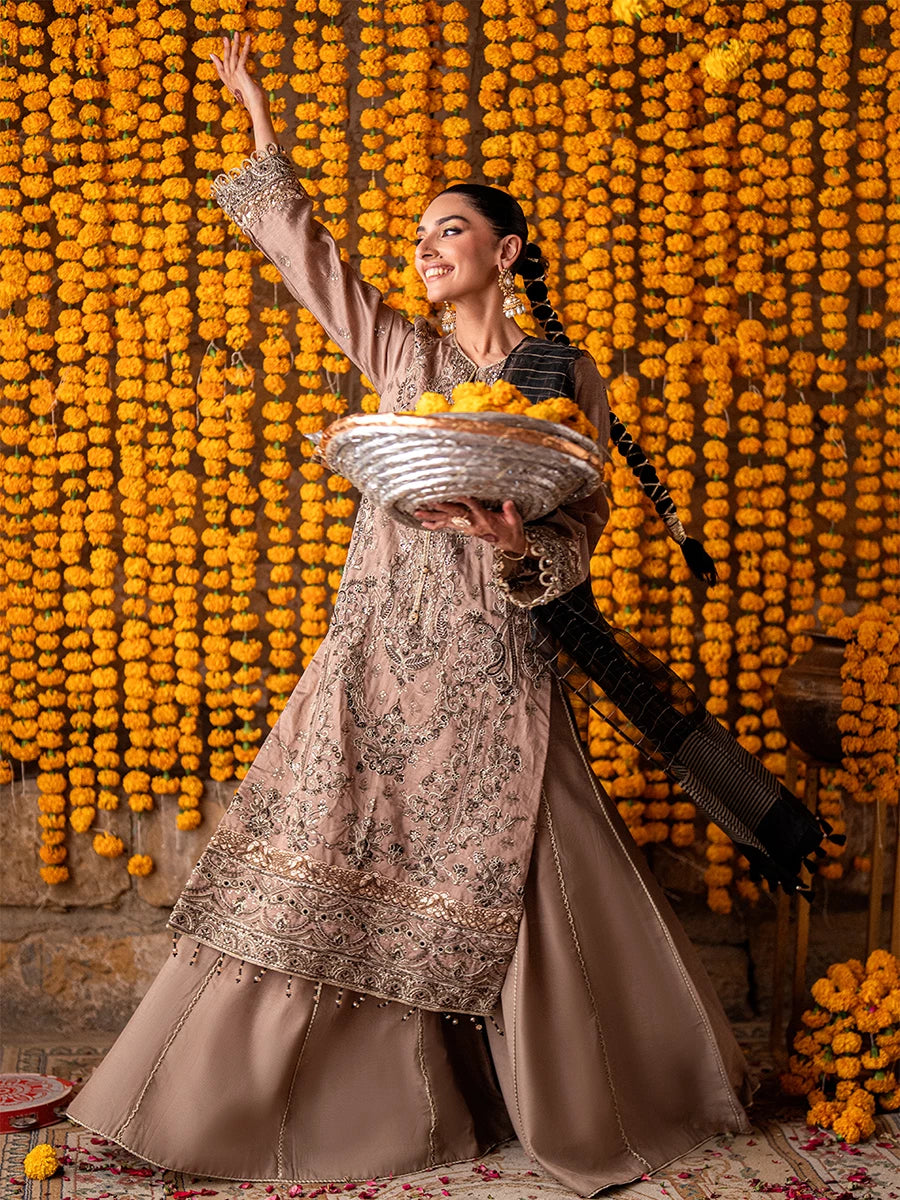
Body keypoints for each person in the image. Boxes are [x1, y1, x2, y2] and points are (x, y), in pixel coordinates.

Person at [67, 32, 751, 1196]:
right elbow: (306, 255)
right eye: (422, 235)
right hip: (380, 658)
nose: (428, 249)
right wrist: (260, 124)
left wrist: (518, 544)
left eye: (451, 231)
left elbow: (585, 523)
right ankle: (244, 1110)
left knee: (536, 858)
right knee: (331, 857)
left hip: (500, 661)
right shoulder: (401, 356)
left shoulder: (562, 376)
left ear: (505, 251)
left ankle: (607, 1095)